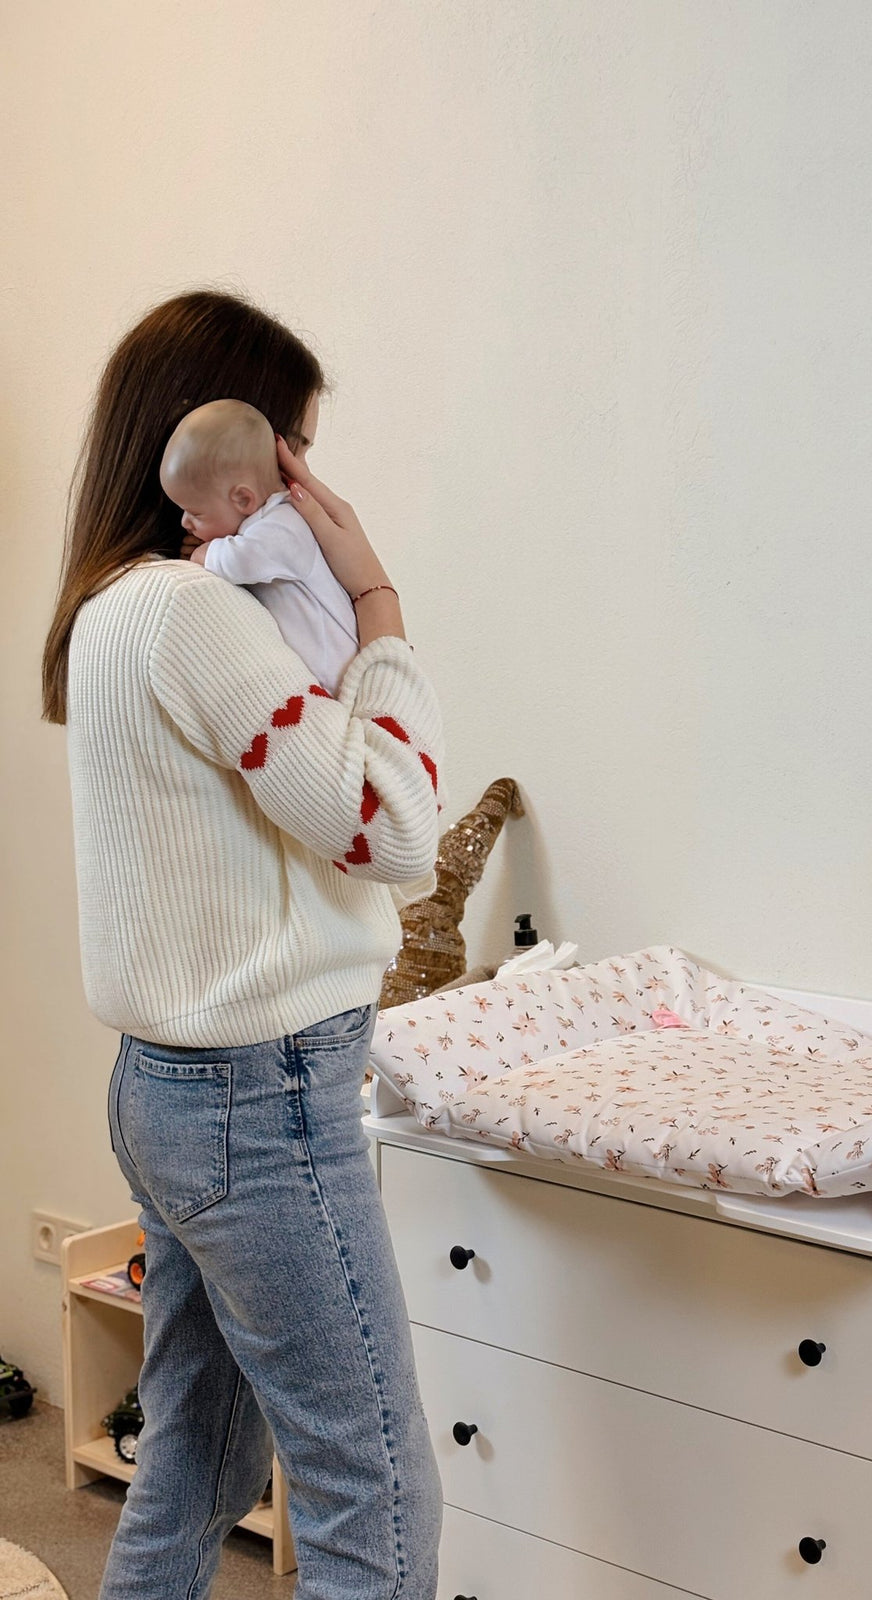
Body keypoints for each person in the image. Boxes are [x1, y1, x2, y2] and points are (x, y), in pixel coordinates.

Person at [40, 289, 444, 1599]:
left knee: (198, 1461)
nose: (308, 490)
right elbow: (392, 830)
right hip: (259, 1104)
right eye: (298, 456)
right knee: (371, 1482)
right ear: (243, 455)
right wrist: (376, 599)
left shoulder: (115, 609)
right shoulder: (196, 617)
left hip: (169, 1091)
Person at [160, 397, 360, 696]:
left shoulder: (286, 522)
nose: (185, 523)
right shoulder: (260, 525)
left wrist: (204, 554)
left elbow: (245, 559)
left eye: (196, 513)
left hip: (336, 677)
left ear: (243, 499)